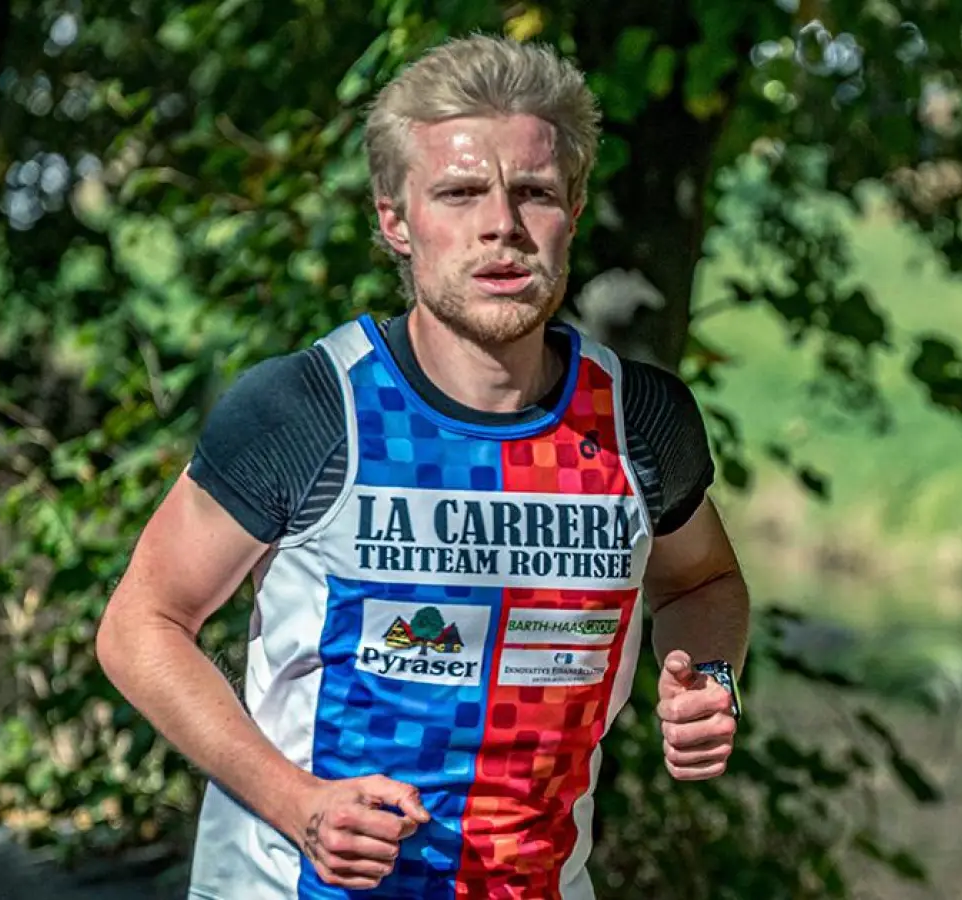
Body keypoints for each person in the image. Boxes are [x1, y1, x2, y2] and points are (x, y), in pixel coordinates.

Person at [95, 33, 751, 900]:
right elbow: (141, 624)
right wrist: (299, 805)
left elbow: (703, 583)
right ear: (395, 221)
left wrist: (711, 676)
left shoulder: (639, 423)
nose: (501, 226)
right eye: (460, 192)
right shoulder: (310, 409)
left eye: (534, 193)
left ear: (574, 209)